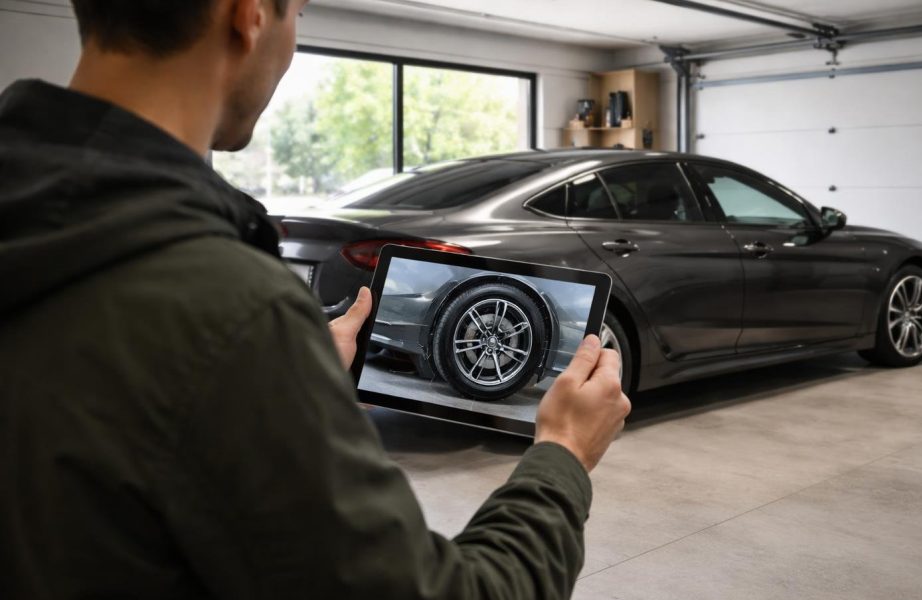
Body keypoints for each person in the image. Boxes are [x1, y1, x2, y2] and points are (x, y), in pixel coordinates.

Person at [0, 0, 631, 598]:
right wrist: (563, 453)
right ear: (248, 15)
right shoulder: (232, 314)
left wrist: (284, 376)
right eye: (298, 13)